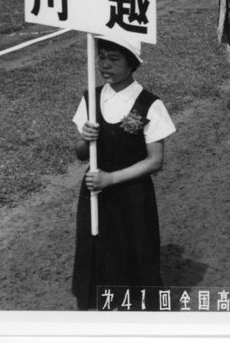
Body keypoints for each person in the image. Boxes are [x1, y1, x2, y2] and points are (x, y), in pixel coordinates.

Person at [71, 35, 176, 311]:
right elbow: (81, 153)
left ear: (131, 64)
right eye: (101, 56)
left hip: (132, 197)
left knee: (135, 252)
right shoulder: (90, 99)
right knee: (98, 251)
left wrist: (112, 178)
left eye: (113, 59)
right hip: (96, 193)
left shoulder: (149, 104)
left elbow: (155, 161)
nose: (104, 64)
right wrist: (85, 137)